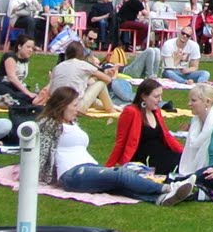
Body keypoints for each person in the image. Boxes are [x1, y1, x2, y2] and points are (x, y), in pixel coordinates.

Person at [38, 85, 196, 204]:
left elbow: (166, 135)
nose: (77, 109)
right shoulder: (50, 125)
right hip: (72, 174)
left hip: (88, 167)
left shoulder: (72, 123)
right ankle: (168, 188)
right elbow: (40, 151)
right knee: (122, 174)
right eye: (74, 105)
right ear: (61, 105)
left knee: (120, 187)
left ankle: (160, 198)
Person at [108, 78, 186, 172]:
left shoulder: (156, 111)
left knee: (185, 160)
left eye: (160, 96)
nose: (160, 100)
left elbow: (166, 135)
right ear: (144, 96)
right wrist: (108, 168)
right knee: (179, 166)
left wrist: (184, 152)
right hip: (145, 159)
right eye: (156, 96)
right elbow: (121, 141)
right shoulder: (131, 112)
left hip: (161, 153)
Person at [46, 42, 118, 115]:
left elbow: (50, 92)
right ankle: (111, 109)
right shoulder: (83, 65)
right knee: (100, 84)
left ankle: (114, 107)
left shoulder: (57, 68)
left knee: (89, 96)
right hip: (75, 107)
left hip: (57, 106)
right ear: (82, 54)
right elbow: (107, 79)